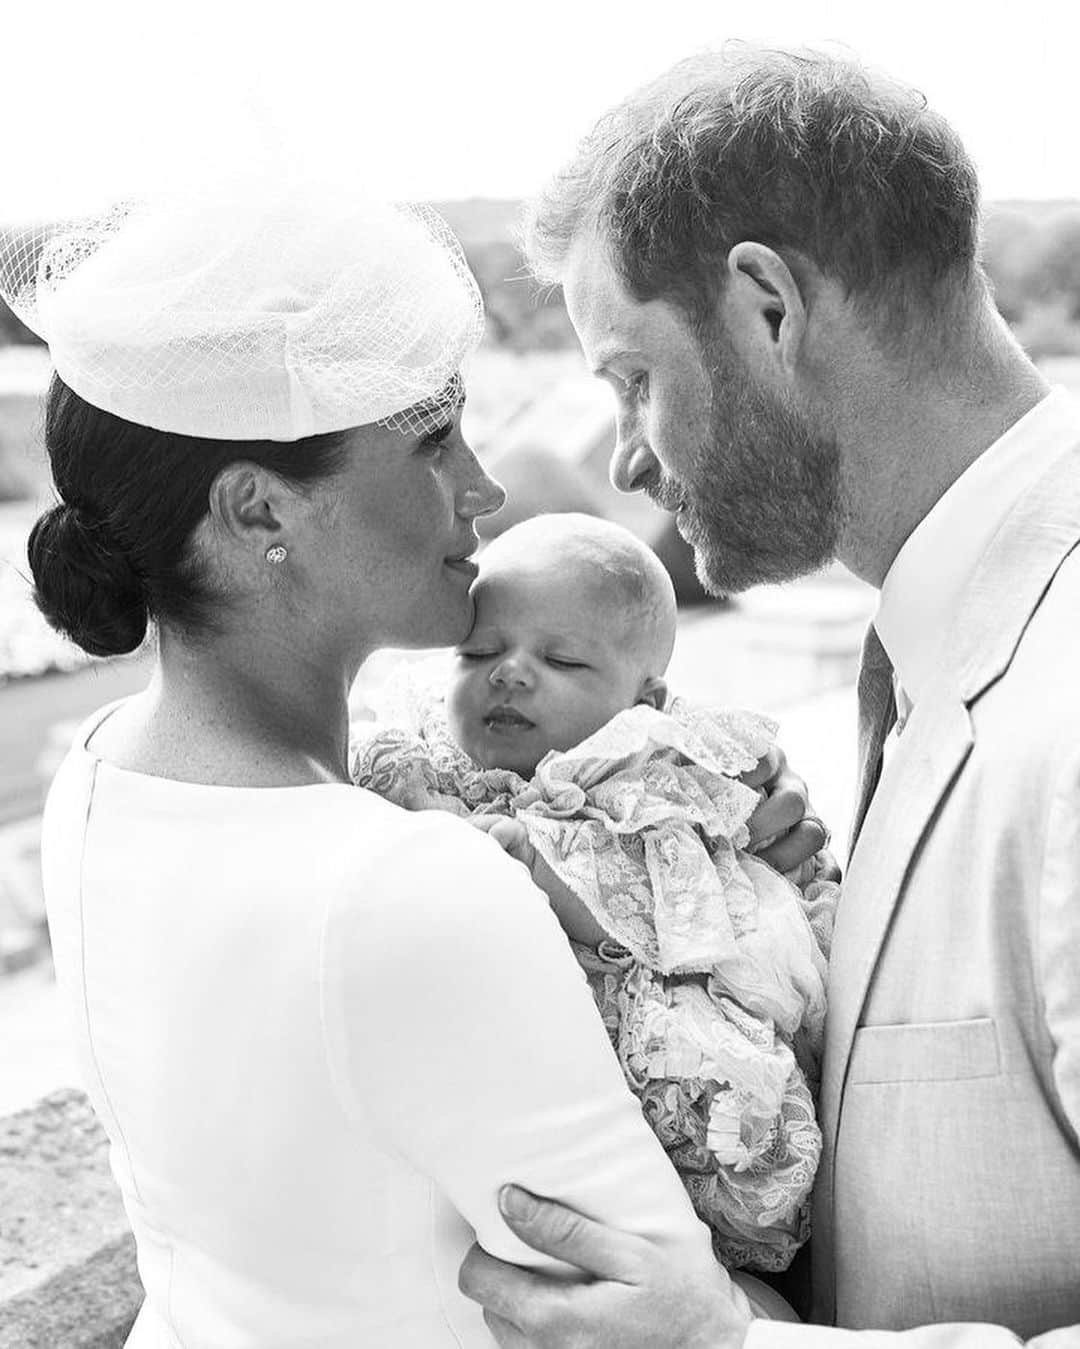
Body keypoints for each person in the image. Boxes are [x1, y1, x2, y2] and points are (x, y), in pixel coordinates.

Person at [2, 180, 822, 1347]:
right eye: (434, 443)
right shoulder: (410, 882)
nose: (484, 487)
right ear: (255, 511)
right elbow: (670, 1313)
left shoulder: (102, 770)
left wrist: (681, 814)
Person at [457, 44, 1080, 1347]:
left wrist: (727, 1345)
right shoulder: (945, 638)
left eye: (633, 378)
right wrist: (802, 943)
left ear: (768, 309)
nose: (626, 456)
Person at [354, 511, 838, 1279]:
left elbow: (667, 907)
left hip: (651, 1027)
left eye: (564, 660)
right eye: (479, 650)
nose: (510, 671)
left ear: (644, 698)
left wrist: (535, 868)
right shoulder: (420, 759)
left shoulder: (645, 780)